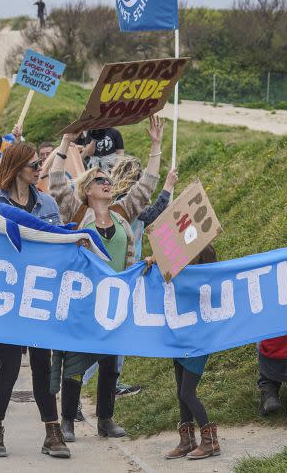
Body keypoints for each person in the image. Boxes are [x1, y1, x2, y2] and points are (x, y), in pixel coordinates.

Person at [48, 116, 163, 442]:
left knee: (111, 364)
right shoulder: (75, 211)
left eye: (108, 179)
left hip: (115, 299)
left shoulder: (122, 213)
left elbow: (147, 186)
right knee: (74, 363)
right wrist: (66, 142)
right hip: (84, 300)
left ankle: (105, 420)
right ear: (87, 189)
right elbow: (56, 180)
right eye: (100, 180)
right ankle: (67, 420)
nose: (106, 182)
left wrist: (155, 145)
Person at [0, 142, 70, 458]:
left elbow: (59, 243)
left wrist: (77, 246)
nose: (39, 170)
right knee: (7, 367)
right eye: (34, 165)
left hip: (37, 297)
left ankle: (53, 433)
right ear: (17, 166)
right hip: (6, 298)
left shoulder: (47, 203)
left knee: (42, 367)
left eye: (40, 165)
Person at [76, 159, 179, 419]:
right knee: (97, 347)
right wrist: (167, 186)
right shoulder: (120, 205)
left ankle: (105, 399)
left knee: (116, 344)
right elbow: (153, 212)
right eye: (101, 181)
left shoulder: (117, 203)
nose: (106, 183)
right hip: (109, 280)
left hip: (128, 273)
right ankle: (77, 395)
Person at [162, 246, 220, 460]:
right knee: (180, 392)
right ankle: (187, 441)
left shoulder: (206, 255)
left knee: (188, 392)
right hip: (179, 334)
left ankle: (210, 441)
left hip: (198, 338)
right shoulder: (177, 256)